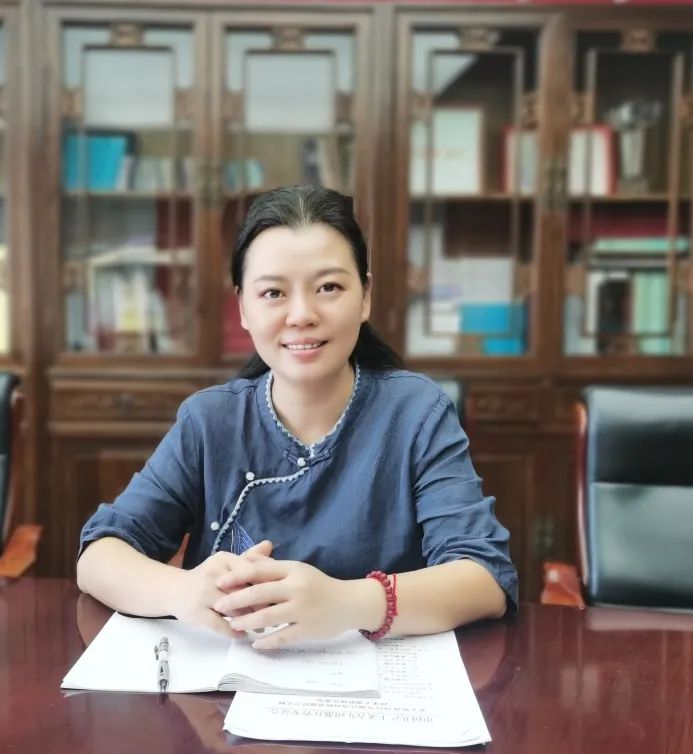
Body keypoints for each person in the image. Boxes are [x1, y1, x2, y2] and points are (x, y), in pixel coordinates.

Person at [76, 185, 518, 650]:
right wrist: (182, 590)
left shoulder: (416, 414)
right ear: (243, 307)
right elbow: (99, 555)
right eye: (273, 292)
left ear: (365, 296)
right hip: (228, 685)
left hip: (376, 687)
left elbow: (485, 577)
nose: (302, 315)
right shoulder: (210, 421)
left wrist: (347, 602)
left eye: (329, 287)